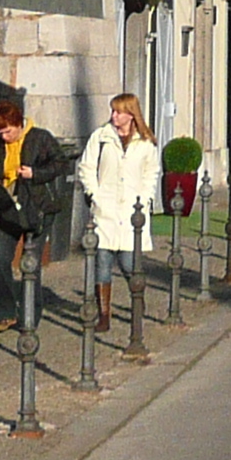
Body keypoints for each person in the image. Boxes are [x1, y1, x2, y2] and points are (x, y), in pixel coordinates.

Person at [0, 95, 69, 330]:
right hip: (7, 208)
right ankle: (6, 312)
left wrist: (35, 173)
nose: (4, 137)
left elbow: (61, 163)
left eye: (8, 131)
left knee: (30, 261)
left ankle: (30, 315)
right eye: (0, 132)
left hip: (36, 207)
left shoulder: (40, 138)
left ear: (18, 124)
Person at [77, 92, 162, 343]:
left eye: (119, 112)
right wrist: (94, 194)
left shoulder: (145, 143)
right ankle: (104, 313)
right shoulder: (101, 137)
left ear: (131, 114)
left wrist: (144, 200)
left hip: (131, 213)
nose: (114, 116)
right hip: (104, 210)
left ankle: (137, 300)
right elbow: (87, 167)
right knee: (101, 263)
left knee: (128, 263)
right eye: (113, 111)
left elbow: (151, 174)